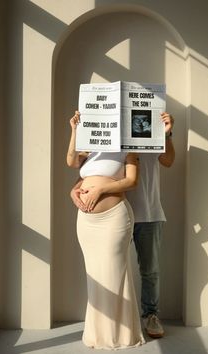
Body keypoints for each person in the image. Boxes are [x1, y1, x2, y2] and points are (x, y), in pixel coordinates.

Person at [67, 111, 145, 350]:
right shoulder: (89, 147)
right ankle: (97, 334)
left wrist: (101, 191)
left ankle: (121, 334)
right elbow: (71, 162)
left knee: (114, 274)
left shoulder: (128, 146)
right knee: (95, 276)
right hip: (87, 222)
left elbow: (131, 181)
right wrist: (74, 130)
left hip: (114, 219)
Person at [126, 112, 175, 339]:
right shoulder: (111, 133)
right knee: (114, 269)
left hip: (149, 213)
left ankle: (151, 315)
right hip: (116, 212)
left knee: (150, 272)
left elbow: (168, 161)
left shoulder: (150, 134)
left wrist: (167, 133)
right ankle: (120, 317)